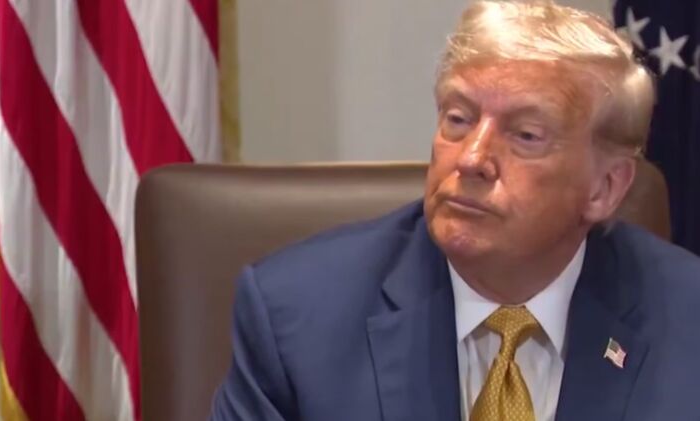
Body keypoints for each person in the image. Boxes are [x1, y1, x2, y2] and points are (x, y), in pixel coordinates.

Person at [210, 1, 700, 420]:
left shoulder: (687, 320)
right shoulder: (296, 317)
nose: (471, 158)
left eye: (526, 135)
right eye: (458, 119)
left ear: (604, 188)